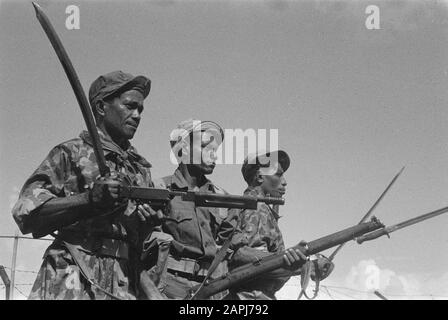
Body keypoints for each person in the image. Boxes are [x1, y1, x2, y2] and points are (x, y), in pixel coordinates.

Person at [11, 70, 154, 300]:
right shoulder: (70, 153)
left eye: (141, 109)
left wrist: (145, 227)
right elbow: (25, 215)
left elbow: (143, 243)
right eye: (130, 106)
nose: (137, 115)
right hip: (72, 276)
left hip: (123, 281)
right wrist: (88, 201)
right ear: (100, 108)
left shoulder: (140, 170)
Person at [139, 119, 242, 299]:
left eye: (215, 151)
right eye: (205, 147)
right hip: (168, 286)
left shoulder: (222, 199)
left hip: (211, 287)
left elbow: (235, 248)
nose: (214, 156)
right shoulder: (158, 189)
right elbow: (139, 243)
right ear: (184, 149)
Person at [227, 150, 334, 300]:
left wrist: (303, 264)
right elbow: (244, 260)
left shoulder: (254, 207)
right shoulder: (257, 208)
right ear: (259, 177)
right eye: (278, 174)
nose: (284, 181)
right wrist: (303, 266)